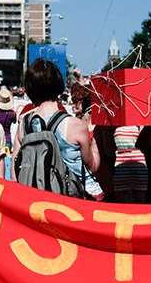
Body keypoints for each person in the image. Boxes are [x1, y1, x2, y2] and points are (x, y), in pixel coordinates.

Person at [12, 58, 100, 192]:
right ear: (58, 83)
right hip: (69, 204)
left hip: (35, 202)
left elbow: (15, 171)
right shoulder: (75, 125)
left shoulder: (24, 124)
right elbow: (92, 167)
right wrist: (96, 142)